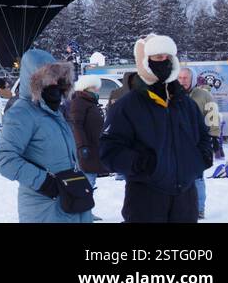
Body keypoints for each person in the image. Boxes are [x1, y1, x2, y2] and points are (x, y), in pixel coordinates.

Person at [101, 36, 211, 223]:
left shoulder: (186, 103)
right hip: (146, 198)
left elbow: (203, 137)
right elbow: (109, 151)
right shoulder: (127, 105)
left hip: (185, 198)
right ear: (145, 61)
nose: (164, 61)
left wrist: (200, 159)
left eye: (167, 57)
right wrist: (143, 164)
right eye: (157, 57)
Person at [0, 49, 93, 223]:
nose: (55, 83)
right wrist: (47, 183)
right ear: (34, 79)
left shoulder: (56, 112)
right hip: (44, 209)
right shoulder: (21, 113)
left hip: (71, 201)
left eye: (57, 77)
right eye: (49, 78)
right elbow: (5, 159)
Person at [178, 67, 214, 218]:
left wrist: (215, 136)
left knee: (198, 177)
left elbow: (213, 116)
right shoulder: (172, 95)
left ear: (192, 79)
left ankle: (199, 209)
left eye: (185, 78)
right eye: (180, 78)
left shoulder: (204, 95)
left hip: (198, 144)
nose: (182, 81)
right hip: (178, 144)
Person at [69, 75, 106, 193]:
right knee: (87, 181)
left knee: (90, 179)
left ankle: (85, 208)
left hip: (93, 147)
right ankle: (82, 208)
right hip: (86, 148)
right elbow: (76, 125)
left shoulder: (91, 102)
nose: (97, 90)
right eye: (94, 87)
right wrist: (82, 146)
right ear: (86, 88)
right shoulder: (79, 102)